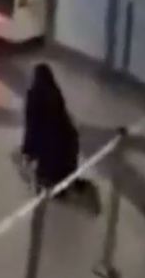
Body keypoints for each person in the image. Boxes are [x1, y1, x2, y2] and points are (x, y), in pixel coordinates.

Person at [20, 63, 100, 214]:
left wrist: (28, 152)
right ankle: (66, 183)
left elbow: (32, 128)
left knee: (48, 171)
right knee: (61, 168)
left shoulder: (34, 96)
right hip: (68, 146)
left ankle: (55, 186)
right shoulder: (55, 94)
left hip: (51, 150)